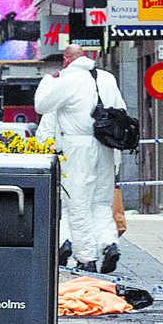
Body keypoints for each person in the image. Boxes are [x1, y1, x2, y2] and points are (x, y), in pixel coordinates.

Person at [34, 44, 126, 273]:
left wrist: (48, 80)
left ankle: (86, 258)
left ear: (66, 60)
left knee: (77, 204)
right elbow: (121, 110)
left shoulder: (67, 79)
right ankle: (108, 243)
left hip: (77, 147)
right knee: (101, 203)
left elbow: (41, 105)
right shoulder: (106, 78)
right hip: (105, 146)